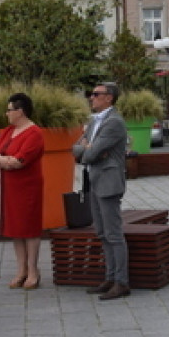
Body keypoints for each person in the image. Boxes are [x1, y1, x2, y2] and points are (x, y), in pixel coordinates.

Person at [73, 82, 130, 301]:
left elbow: (90, 153)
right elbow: (76, 149)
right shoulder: (94, 121)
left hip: (108, 182)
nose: (91, 97)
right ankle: (110, 277)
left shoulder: (114, 122)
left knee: (114, 234)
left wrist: (89, 149)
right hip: (94, 180)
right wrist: (86, 149)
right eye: (92, 94)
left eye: (96, 94)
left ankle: (121, 282)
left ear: (109, 98)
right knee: (103, 233)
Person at [0, 92, 45, 290]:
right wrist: (4, 160)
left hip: (27, 187)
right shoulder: (9, 131)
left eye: (10, 110)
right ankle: (21, 270)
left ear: (20, 111)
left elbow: (20, 161)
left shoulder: (34, 133)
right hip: (9, 187)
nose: (7, 114)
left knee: (29, 228)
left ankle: (33, 270)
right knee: (15, 229)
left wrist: (1, 160)